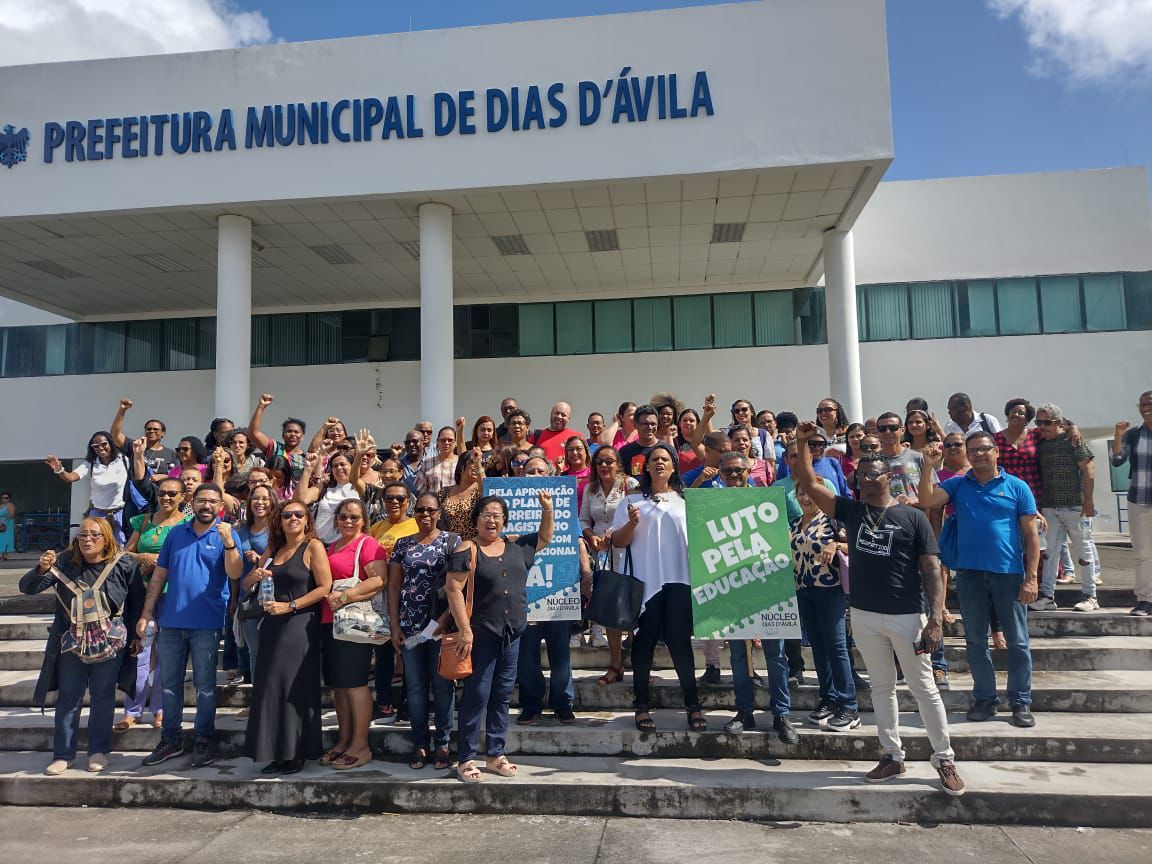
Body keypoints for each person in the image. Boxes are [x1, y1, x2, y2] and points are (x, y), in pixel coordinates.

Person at [793, 422, 965, 797]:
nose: (868, 480)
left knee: (923, 688)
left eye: (875, 474)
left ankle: (945, 758)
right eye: (863, 475)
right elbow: (809, 483)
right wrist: (803, 442)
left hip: (907, 615)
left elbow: (933, 570)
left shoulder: (913, 516)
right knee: (882, 688)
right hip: (866, 615)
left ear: (889, 475)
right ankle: (891, 754)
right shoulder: (850, 512)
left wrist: (935, 617)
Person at [917, 432, 1040, 729]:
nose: (979, 454)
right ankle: (985, 699)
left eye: (984, 449)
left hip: (1008, 574)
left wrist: (1032, 578)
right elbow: (926, 500)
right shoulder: (959, 484)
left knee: (1018, 642)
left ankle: (1020, 701)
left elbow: (1032, 535)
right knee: (975, 641)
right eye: (973, 450)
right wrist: (927, 466)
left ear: (996, 452)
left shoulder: (1017, 487)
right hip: (970, 574)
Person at [445, 491, 553, 782]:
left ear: (504, 521)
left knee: (502, 694)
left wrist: (547, 510)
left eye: (497, 515)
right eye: (486, 515)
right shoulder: (467, 549)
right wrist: (465, 629)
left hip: (513, 633)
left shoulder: (517, 547)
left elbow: (544, 538)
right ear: (476, 520)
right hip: (481, 634)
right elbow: (453, 589)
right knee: (476, 695)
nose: (491, 520)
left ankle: (495, 753)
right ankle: (466, 758)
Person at [20, 519, 142, 775]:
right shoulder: (64, 562)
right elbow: (28, 588)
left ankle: (99, 751)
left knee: (103, 696)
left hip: (110, 643)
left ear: (106, 537)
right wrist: (41, 568)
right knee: (69, 697)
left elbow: (136, 600)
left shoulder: (123, 563)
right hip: (71, 642)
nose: (87, 539)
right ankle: (63, 754)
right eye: (82, 535)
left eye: (94, 535)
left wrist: (137, 637)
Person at [137, 483, 244, 768]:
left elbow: (235, 573)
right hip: (171, 621)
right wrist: (147, 612)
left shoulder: (226, 533)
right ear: (192, 503)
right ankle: (170, 740)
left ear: (219, 504)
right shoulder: (175, 534)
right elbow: (159, 576)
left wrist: (230, 543)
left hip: (206, 624)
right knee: (169, 685)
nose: (206, 505)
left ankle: (202, 739)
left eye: (212, 501)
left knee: (206, 687)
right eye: (201, 501)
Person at [611, 442, 705, 733]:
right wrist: (631, 523)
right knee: (644, 643)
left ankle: (693, 705)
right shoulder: (632, 502)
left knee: (680, 644)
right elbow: (618, 541)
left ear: (674, 466)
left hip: (680, 581)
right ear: (646, 467)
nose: (660, 463)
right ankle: (641, 705)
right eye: (654, 460)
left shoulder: (687, 501)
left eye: (665, 459)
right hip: (645, 583)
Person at [243, 499, 333, 774]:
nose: (292, 518)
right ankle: (275, 751)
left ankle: (297, 751)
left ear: (307, 519)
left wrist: (291, 605)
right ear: (279, 520)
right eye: (286, 515)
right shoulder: (274, 548)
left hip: (299, 622)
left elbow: (325, 587)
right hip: (272, 622)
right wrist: (255, 575)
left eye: (298, 514)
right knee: (271, 686)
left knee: (294, 686)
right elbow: (247, 584)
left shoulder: (313, 546)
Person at [716, 451, 798, 743]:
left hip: (768, 584)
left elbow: (790, 532)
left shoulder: (768, 499)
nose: (734, 476)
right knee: (738, 655)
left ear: (749, 469)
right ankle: (744, 711)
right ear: (721, 474)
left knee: (775, 655)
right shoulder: (714, 504)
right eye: (728, 472)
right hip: (732, 587)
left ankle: (781, 714)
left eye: (738, 470)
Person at [388, 492, 461, 771]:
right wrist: (394, 625)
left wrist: (442, 620)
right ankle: (420, 743)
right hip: (410, 627)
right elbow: (394, 586)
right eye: (420, 510)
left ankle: (442, 743)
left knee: (442, 686)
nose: (425, 515)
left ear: (439, 512)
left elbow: (458, 586)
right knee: (416, 688)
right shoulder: (402, 544)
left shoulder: (451, 542)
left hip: (441, 626)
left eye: (430, 510)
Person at [116, 476, 188, 731]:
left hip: (173, 595)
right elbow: (123, 555)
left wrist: (165, 562)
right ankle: (132, 710)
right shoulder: (144, 521)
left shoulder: (187, 524)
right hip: (143, 594)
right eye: (163, 493)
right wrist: (142, 556)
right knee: (140, 651)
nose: (166, 498)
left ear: (182, 498)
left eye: (172, 494)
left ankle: (160, 709)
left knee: (166, 656)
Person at [320, 498, 387, 770]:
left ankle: (361, 745)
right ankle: (344, 741)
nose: (348, 521)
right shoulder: (332, 546)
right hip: (330, 623)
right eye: (344, 516)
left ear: (364, 520)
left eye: (354, 517)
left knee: (355, 683)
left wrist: (346, 595)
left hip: (354, 625)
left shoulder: (368, 544)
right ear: (336, 519)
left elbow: (379, 579)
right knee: (339, 686)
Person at [790, 485, 857, 730]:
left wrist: (837, 546)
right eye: (802, 494)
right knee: (818, 647)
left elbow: (857, 546)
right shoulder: (795, 524)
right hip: (804, 589)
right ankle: (828, 698)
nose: (806, 498)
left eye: (811, 494)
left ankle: (848, 704)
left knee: (837, 646)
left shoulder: (832, 522)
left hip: (830, 589)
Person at [580, 445, 638, 680]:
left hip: (630, 551)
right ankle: (616, 665)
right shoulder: (590, 489)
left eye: (609, 461)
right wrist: (590, 535)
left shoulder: (630, 485)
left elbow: (639, 514)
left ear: (618, 463)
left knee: (635, 610)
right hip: (602, 555)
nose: (604, 466)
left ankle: (639, 665)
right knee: (612, 611)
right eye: (599, 462)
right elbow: (584, 517)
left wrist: (615, 530)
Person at [1033, 403, 1098, 612]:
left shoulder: (1073, 440)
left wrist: (1088, 499)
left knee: (1084, 550)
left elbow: (1088, 468)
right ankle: (1047, 596)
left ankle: (1090, 596)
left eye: (1046, 422)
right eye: (1038, 422)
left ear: (1059, 422)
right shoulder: (1041, 443)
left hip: (1075, 506)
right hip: (1050, 507)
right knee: (1049, 553)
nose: (1042, 427)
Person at [366, 482, 419, 724]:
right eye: (389, 498)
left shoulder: (418, 524)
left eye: (400, 498)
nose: (394, 502)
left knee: (409, 651)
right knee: (384, 653)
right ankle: (384, 703)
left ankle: (409, 703)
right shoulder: (376, 527)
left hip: (410, 595)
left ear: (409, 501)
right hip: (382, 597)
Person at [46, 431, 132, 542]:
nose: (100, 448)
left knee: (121, 544)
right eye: (96, 446)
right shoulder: (91, 463)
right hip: (98, 513)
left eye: (104, 444)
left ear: (111, 443)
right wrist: (59, 470)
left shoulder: (123, 459)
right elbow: (71, 477)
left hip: (121, 512)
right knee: (96, 543)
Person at [1113, 391, 1152, 616]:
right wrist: (1118, 435)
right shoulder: (1134, 434)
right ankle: (1145, 600)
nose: (1146, 407)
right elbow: (1117, 461)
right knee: (1142, 553)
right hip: (1139, 500)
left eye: (1150, 403)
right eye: (1143, 404)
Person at [234, 483, 275, 692]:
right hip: (248, 597)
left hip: (273, 596)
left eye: (265, 498)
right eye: (256, 498)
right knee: (255, 651)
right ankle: (258, 700)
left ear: (272, 503)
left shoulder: (278, 531)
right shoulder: (239, 530)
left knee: (275, 651)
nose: (260, 502)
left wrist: (263, 559)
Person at [293, 451, 356, 544]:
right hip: (318, 543)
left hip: (345, 545)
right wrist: (308, 469)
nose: (339, 468)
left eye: (342, 464)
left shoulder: (360, 489)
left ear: (352, 466)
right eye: (335, 466)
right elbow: (300, 499)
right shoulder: (325, 487)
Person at [248, 393, 308, 486]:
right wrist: (261, 407)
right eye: (289, 431)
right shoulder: (275, 448)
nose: (293, 434)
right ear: (283, 434)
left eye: (296, 432)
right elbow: (253, 433)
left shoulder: (306, 458)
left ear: (303, 436)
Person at [110, 399, 177, 479]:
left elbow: (177, 476)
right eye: (149, 429)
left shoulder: (170, 454)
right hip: (136, 490)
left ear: (163, 433)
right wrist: (122, 410)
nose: (152, 431)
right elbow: (115, 434)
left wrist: (163, 477)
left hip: (160, 490)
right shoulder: (136, 447)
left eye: (156, 429)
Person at [440, 449, 485, 540]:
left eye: (481, 464)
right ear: (461, 467)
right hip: (449, 545)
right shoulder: (444, 492)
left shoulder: (481, 491)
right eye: (472, 462)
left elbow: (487, 490)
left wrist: (478, 463)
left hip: (473, 545)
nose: (476, 465)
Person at [619, 405, 661, 478]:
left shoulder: (667, 450)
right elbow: (620, 479)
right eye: (645, 424)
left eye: (653, 424)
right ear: (635, 425)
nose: (650, 427)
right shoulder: (624, 452)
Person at [415, 426, 459, 495]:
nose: (446, 443)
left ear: (455, 443)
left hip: (456, 504)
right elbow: (421, 491)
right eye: (443, 440)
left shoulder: (461, 463)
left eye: (450, 440)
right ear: (437, 442)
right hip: (434, 504)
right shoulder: (427, 463)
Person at [0, 491, 13, 561]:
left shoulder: (10, 505)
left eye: (6, 498)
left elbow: (11, 515)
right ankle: (1, 554)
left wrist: (3, 519)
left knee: (6, 539)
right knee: (1, 539)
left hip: (7, 524)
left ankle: (6, 555)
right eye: (3, 498)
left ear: (9, 498)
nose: (4, 499)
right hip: (1, 523)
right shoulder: (1, 505)